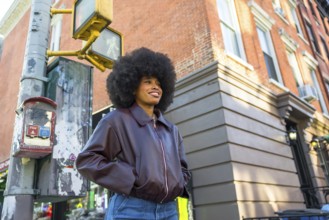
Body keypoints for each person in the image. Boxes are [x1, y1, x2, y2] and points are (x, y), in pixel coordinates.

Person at [76, 47, 191, 220]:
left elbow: (183, 168)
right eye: (148, 81)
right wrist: (131, 178)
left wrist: (179, 183)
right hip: (131, 208)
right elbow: (88, 160)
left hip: (169, 210)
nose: (155, 87)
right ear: (131, 86)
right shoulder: (116, 120)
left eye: (159, 84)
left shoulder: (171, 130)